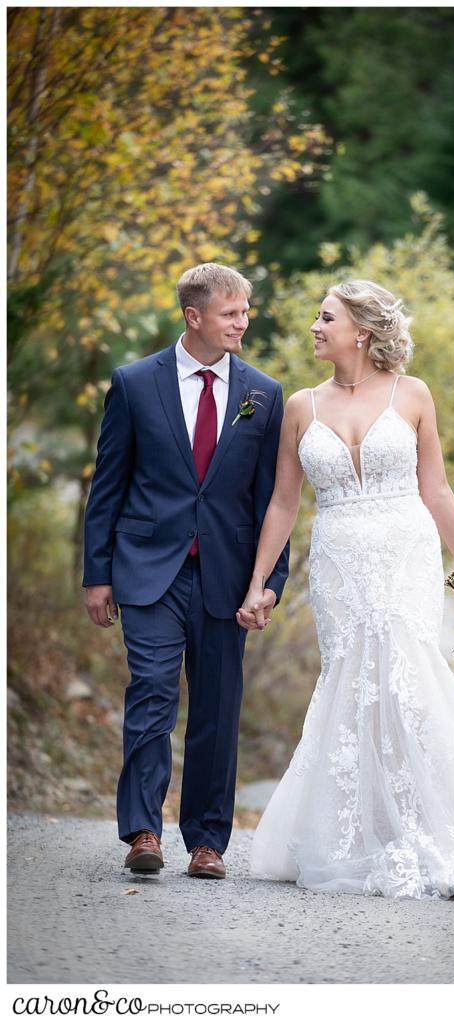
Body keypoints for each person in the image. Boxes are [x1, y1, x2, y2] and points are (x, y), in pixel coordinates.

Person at [238, 279, 454, 899]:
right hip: (339, 559)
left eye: (326, 318)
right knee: (350, 680)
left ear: (364, 329)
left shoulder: (413, 395)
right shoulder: (301, 405)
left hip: (404, 551)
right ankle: (359, 835)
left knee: (409, 678)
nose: (315, 327)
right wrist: (258, 586)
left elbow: (436, 489)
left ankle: (436, 828)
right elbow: (283, 501)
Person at [83, 263, 288, 878]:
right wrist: (98, 574)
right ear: (193, 316)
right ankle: (144, 829)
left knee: (218, 707)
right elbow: (108, 486)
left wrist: (268, 585)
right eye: (232, 313)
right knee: (150, 691)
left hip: (226, 577)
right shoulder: (134, 383)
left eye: (246, 312)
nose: (243, 323)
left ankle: (207, 841)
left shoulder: (264, 393)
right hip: (149, 569)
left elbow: (270, 501)